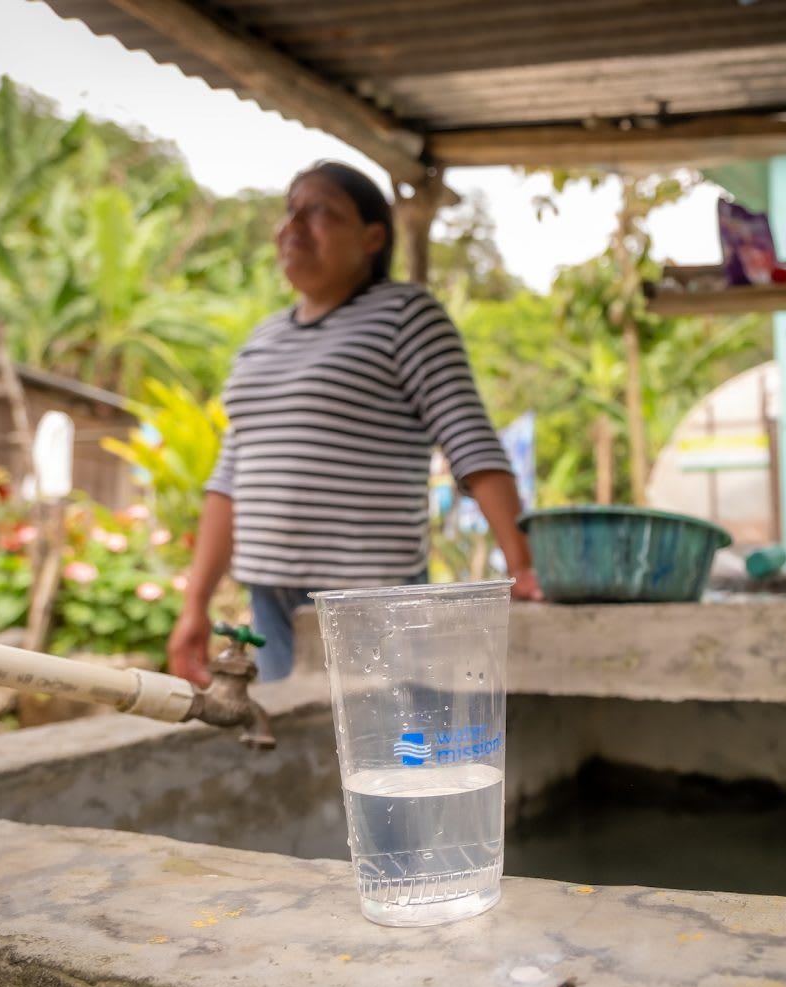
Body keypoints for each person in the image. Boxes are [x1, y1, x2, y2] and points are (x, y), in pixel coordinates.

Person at [168, 161, 542, 685]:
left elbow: (470, 443)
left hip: (372, 601)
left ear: (372, 237)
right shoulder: (262, 340)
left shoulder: (406, 315)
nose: (293, 226)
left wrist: (521, 566)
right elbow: (230, 479)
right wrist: (196, 606)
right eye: (289, 211)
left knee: (381, 759)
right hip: (271, 600)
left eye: (320, 211)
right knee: (298, 752)